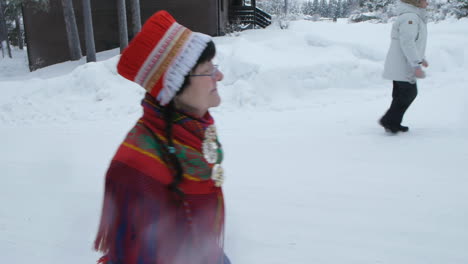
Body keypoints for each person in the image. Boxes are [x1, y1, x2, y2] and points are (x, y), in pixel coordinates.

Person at [94, 10, 231, 264]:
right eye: (208, 69)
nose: (219, 76)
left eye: (216, 67)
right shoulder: (137, 167)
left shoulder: (191, 133)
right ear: (175, 88)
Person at [380, 0, 429, 133]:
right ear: (417, 2)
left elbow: (414, 42)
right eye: (425, 0)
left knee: (401, 94)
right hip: (403, 64)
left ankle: (393, 122)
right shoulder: (410, 17)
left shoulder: (413, 16)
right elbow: (407, 43)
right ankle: (389, 121)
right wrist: (416, 65)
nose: (427, 3)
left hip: (403, 63)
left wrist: (421, 59)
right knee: (409, 93)